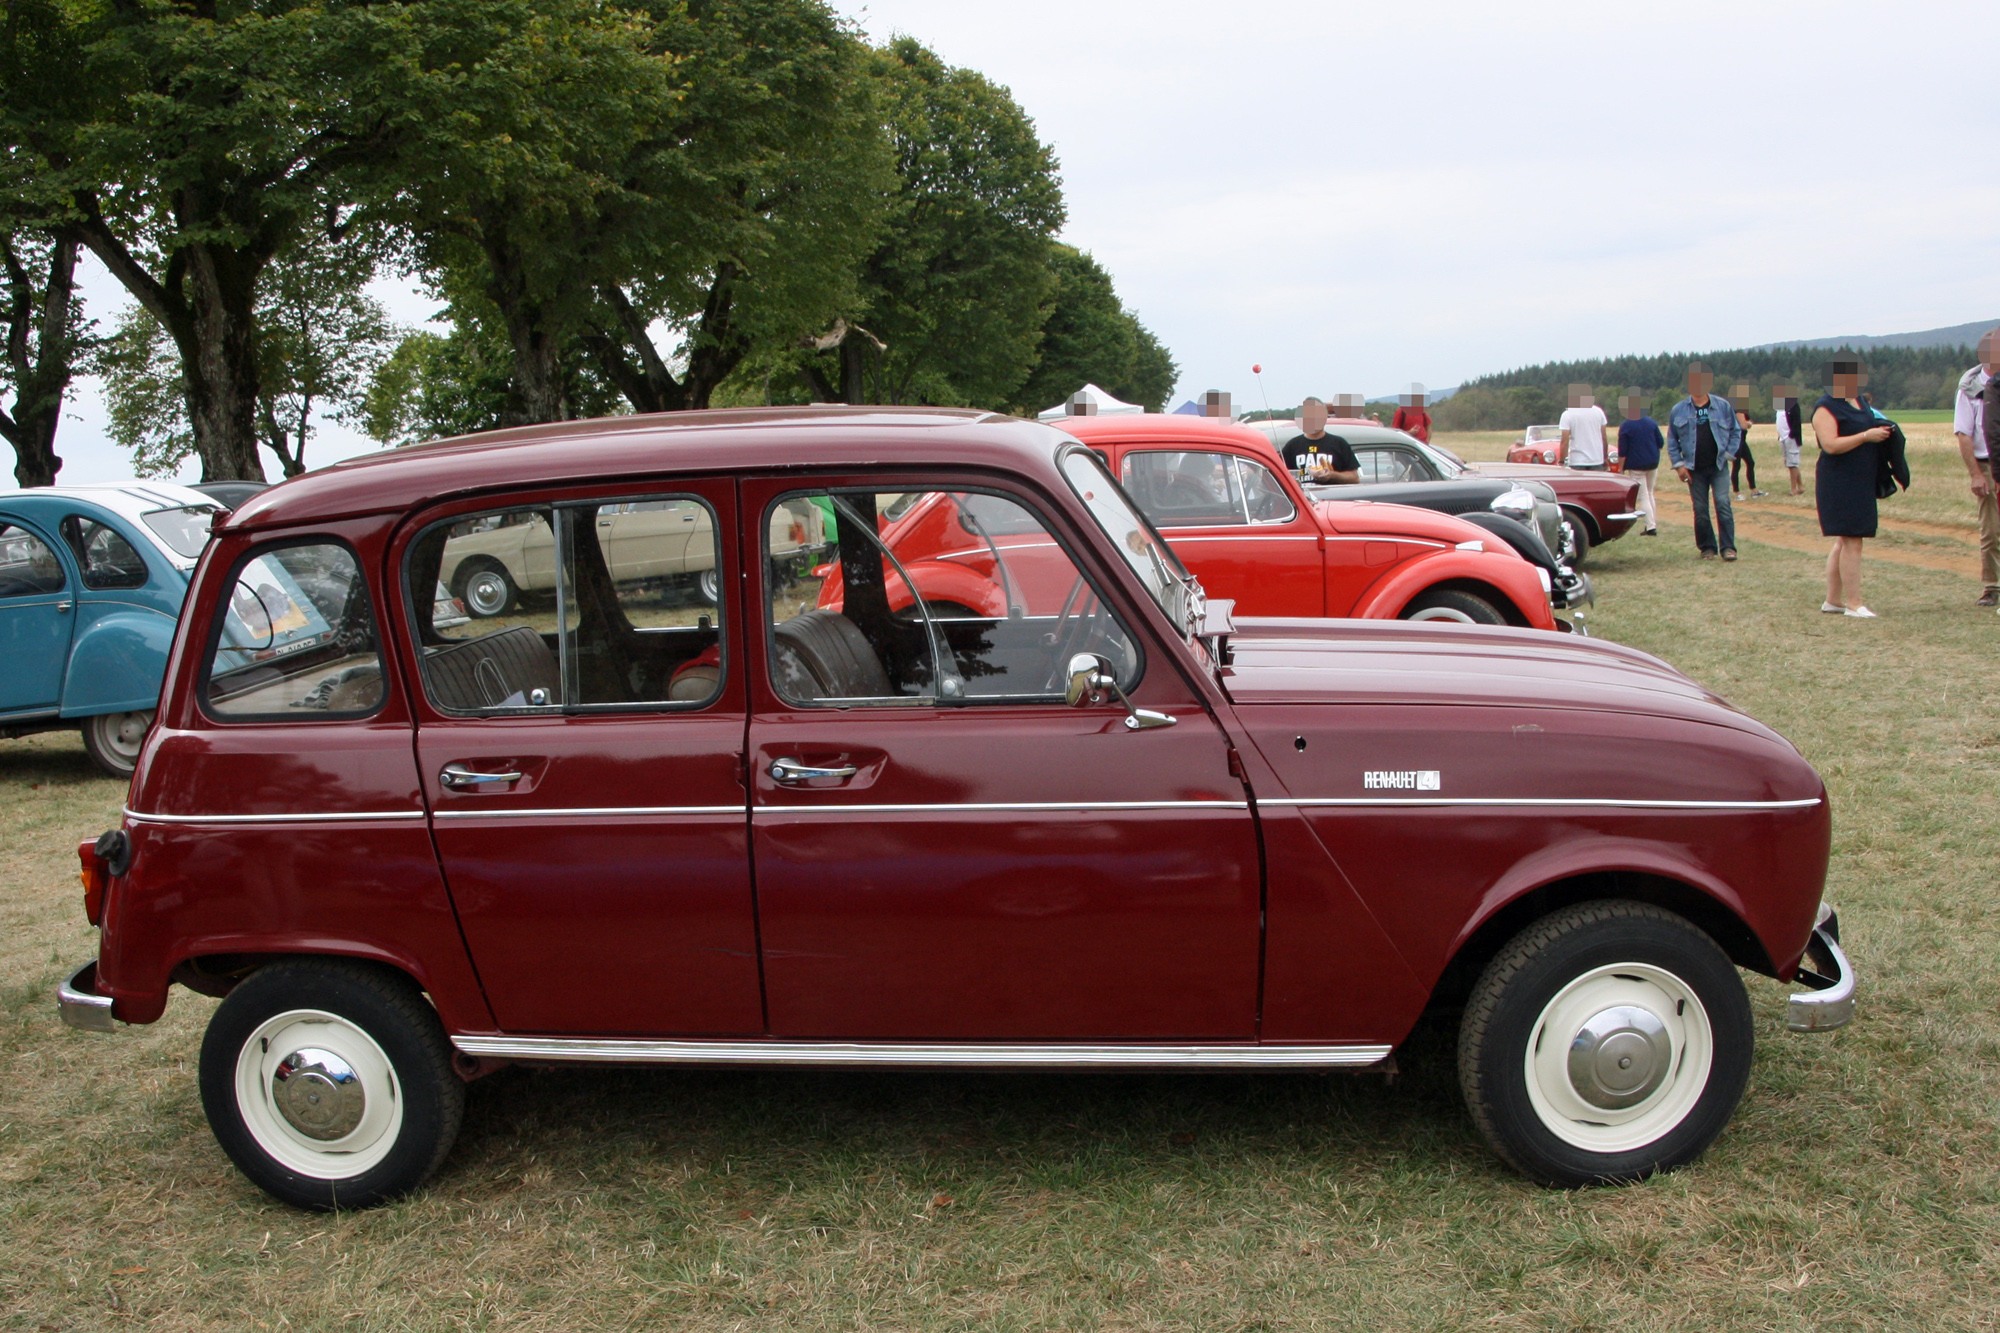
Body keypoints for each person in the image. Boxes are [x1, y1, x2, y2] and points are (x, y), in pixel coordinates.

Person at [1812, 358, 1893, 617]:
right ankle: (1854, 603)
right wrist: (1865, 436)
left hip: (1861, 478)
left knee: (1844, 540)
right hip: (1838, 480)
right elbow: (1831, 445)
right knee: (1852, 539)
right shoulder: (1825, 407)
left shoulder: (1860, 400)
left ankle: (1833, 600)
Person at [1666, 363, 1741, 560]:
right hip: (1693, 469)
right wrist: (1679, 465)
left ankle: (1728, 548)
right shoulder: (1678, 410)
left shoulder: (1722, 406)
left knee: (1723, 503)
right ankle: (1707, 548)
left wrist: (1728, 455)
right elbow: (1672, 440)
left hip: (1718, 466)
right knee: (1700, 509)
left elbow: (1736, 431)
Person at [1956, 331, 2000, 606]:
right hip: (1985, 463)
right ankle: (1992, 586)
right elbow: (1963, 433)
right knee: (1991, 529)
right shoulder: (1969, 388)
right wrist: (1975, 474)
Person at [1615, 391, 1663, 535]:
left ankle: (1650, 527)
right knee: (1650, 493)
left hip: (1636, 465)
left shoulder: (1626, 425)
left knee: (1643, 496)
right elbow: (1660, 443)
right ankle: (1652, 522)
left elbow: (1623, 451)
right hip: (1652, 462)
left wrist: (1620, 469)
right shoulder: (1651, 422)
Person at [1282, 396, 1359, 483]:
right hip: (1302, 496)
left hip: (1332, 495)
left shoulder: (1339, 444)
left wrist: (1333, 475)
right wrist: (1303, 474)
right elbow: (1280, 476)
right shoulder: (1292, 446)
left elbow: (1354, 478)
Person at [1557, 383, 1610, 470]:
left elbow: (1565, 441)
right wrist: (1605, 457)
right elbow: (1604, 437)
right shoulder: (1599, 412)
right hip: (1597, 460)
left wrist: (1562, 461)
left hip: (1577, 461)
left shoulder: (1567, 414)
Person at [1730, 383, 1766, 498]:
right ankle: (1737, 492)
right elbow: (1744, 425)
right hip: (1736, 440)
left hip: (1742, 440)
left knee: (1750, 462)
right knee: (1737, 465)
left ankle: (1754, 490)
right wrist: (1749, 423)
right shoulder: (1737, 409)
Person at [1773, 383, 1805, 495]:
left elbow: (1796, 422)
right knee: (1790, 464)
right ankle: (1800, 486)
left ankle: (1793, 489)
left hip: (1791, 438)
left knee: (1793, 464)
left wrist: (1791, 436)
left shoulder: (1793, 405)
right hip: (1783, 438)